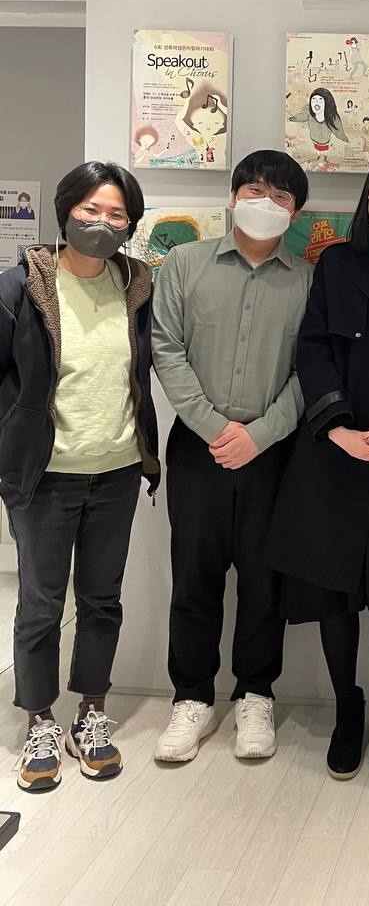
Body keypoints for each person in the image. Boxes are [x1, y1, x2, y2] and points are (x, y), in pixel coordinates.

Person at [266, 150, 369, 782]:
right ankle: (347, 705)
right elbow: (312, 349)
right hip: (333, 450)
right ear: (367, 195)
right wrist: (337, 426)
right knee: (333, 596)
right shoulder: (337, 262)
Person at [0, 161, 159, 792]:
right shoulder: (21, 287)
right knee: (41, 605)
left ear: (130, 224)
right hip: (46, 476)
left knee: (101, 600)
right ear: (66, 210)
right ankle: (39, 720)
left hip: (116, 471)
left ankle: (91, 712)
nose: (102, 222)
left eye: (117, 214)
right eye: (91, 209)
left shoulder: (135, 285)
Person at [152, 150, 312, 764]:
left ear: (295, 212)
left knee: (264, 581)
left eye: (280, 197)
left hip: (274, 453)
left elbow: (312, 368)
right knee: (194, 575)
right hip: (199, 448)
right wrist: (216, 427)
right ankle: (191, 697)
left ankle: (255, 694)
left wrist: (261, 434)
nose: (264, 204)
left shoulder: (307, 280)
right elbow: (166, 348)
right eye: (254, 191)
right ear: (232, 196)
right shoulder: (184, 264)